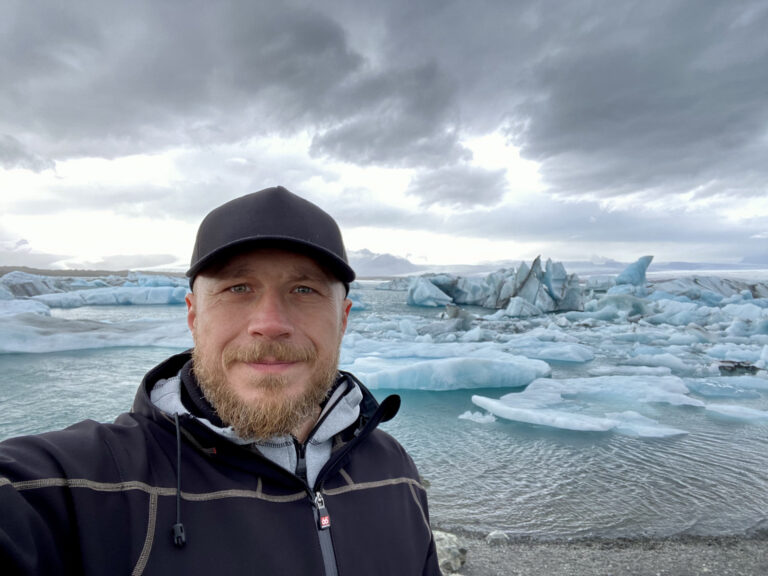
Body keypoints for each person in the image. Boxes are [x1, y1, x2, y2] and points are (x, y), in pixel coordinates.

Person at [0, 186, 441, 575]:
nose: (269, 323)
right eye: (238, 288)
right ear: (193, 315)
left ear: (343, 320)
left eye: (304, 290)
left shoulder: (395, 473)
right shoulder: (93, 488)